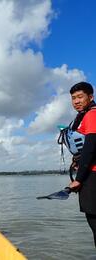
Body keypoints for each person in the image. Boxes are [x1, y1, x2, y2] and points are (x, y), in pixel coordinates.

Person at [65, 82, 96, 247]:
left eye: (80, 97)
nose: (76, 101)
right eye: (73, 98)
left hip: (92, 177)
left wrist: (78, 179)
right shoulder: (86, 115)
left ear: (90, 97)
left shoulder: (92, 115)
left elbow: (90, 146)